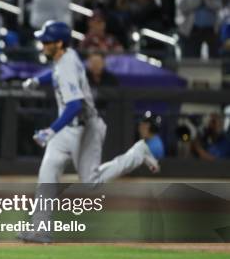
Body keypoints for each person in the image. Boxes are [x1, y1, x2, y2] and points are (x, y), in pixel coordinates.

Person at [19, 21, 159, 242]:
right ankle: (40, 229)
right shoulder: (67, 55)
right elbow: (55, 74)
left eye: (46, 40)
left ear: (59, 43)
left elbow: (74, 105)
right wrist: (38, 80)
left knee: (90, 182)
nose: (42, 44)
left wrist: (50, 131)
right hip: (67, 128)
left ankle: (137, 154)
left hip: (86, 128)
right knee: (47, 173)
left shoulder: (66, 63)